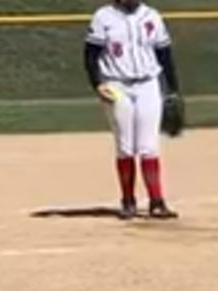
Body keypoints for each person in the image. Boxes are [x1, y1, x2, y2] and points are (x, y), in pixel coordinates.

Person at [83, 0, 179, 221]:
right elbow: (90, 55)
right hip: (116, 85)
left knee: (149, 146)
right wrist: (97, 83)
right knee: (125, 147)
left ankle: (157, 202)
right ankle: (128, 201)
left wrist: (172, 89)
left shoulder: (151, 15)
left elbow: (164, 54)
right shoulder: (104, 16)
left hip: (148, 83)